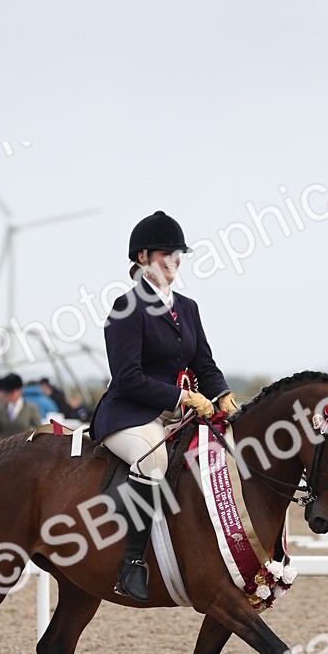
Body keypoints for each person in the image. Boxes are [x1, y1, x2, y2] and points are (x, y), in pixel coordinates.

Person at [89, 210, 239, 601]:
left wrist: (222, 393)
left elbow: (203, 362)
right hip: (131, 412)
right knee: (151, 461)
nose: (174, 262)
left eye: (178, 255)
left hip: (178, 410)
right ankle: (132, 563)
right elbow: (127, 377)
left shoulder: (187, 308)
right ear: (142, 259)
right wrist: (184, 397)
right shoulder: (126, 308)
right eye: (165, 254)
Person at [0, 374, 41, 440]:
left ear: (20, 390)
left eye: (12, 392)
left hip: (25, 447)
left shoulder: (31, 408)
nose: (9, 395)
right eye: (7, 392)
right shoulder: (0, 409)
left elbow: (39, 429)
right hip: (5, 448)